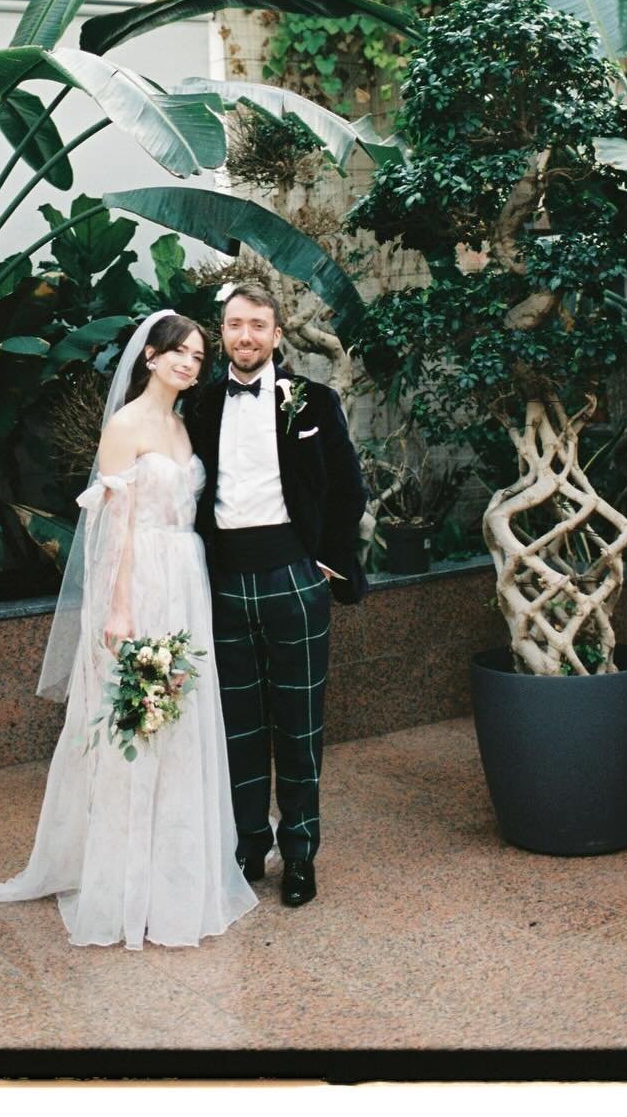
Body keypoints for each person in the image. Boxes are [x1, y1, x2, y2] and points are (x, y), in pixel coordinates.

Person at [0, 310, 258, 950]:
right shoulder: (125, 426)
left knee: (183, 720)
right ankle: (126, 880)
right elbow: (115, 528)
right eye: (178, 353)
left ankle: (179, 872)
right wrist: (117, 607)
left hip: (186, 577)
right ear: (151, 358)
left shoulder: (184, 426)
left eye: (197, 354)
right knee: (139, 718)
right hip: (142, 582)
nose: (190, 363)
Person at [184, 285, 369, 908]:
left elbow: (348, 488)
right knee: (236, 729)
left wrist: (327, 563)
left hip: (295, 578)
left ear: (276, 333)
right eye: (235, 325)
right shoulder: (201, 405)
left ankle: (299, 853)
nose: (245, 336)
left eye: (257, 326)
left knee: (298, 727)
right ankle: (246, 848)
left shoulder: (314, 400)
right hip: (223, 584)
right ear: (222, 332)